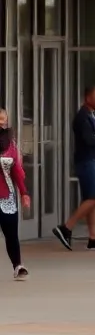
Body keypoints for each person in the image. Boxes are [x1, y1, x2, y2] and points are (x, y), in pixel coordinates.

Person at [54, 85, 95, 251]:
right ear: (87, 98)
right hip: (87, 161)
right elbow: (89, 139)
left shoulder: (93, 115)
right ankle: (66, 227)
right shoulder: (82, 117)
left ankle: (93, 238)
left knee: (91, 198)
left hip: (94, 160)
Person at [0, 108, 30, 279]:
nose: (1, 121)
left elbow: (17, 170)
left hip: (6, 196)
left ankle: (18, 265)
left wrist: (24, 193)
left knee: (11, 233)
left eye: (3, 119)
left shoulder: (10, 144)